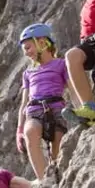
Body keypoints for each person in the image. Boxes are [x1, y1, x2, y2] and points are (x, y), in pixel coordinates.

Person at [16, 22, 71, 179]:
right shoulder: (28, 73)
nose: (26, 53)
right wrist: (19, 130)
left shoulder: (61, 65)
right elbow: (23, 104)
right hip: (34, 110)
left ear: (42, 43)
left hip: (56, 109)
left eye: (28, 47)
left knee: (57, 147)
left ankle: (57, 175)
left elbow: (72, 88)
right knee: (30, 131)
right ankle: (43, 180)